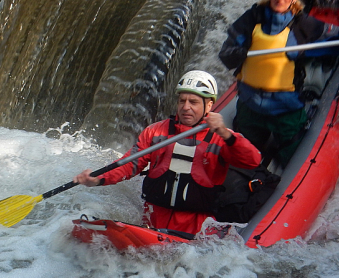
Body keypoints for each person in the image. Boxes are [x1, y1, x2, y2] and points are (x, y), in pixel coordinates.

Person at [73, 70, 262, 236]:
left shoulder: (221, 138)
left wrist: (225, 133)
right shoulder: (156, 132)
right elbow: (130, 164)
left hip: (196, 227)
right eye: (182, 100)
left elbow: (252, 160)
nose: (186, 107)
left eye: (194, 102)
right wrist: (98, 179)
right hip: (153, 220)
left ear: (209, 105)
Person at [219, 0, 339, 166]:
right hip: (250, 106)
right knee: (241, 158)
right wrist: (240, 53)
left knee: (289, 159)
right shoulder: (252, 18)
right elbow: (226, 52)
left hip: (285, 111)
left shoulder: (304, 25)